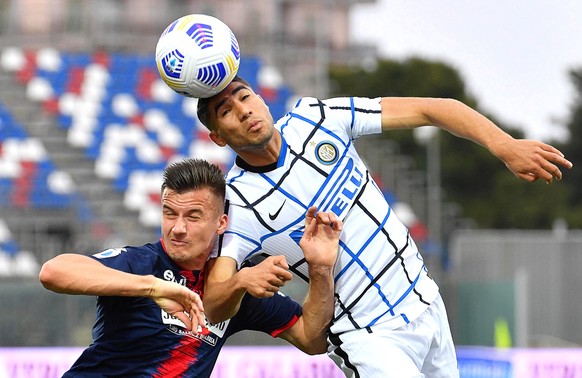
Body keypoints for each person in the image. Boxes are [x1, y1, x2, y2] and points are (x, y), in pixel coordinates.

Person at [196, 76, 574, 378]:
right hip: (366, 335)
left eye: (244, 97)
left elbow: (432, 109)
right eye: (226, 111)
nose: (243, 111)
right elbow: (212, 303)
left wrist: (504, 146)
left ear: (260, 97)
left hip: (425, 301)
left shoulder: (319, 117)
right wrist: (243, 281)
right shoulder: (239, 203)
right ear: (218, 136)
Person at [39, 158, 342, 378]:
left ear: (221, 223)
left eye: (193, 217)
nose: (177, 228)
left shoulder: (232, 289)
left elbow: (313, 340)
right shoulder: (142, 263)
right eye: (169, 213)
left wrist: (320, 269)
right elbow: (54, 271)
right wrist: (152, 287)